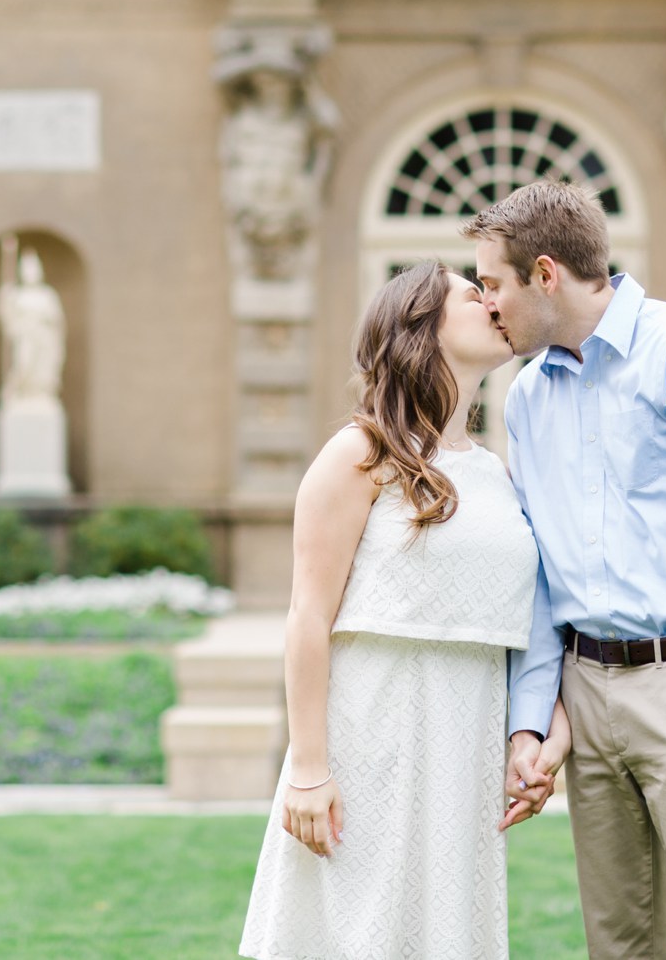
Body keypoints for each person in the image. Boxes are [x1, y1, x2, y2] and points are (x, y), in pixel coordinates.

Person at [466, 179, 666, 960]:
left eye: (493, 284)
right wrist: (530, 718)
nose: (486, 306)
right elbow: (541, 573)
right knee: (617, 944)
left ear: (546, 274)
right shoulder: (525, 398)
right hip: (587, 696)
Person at [239, 262, 570, 960]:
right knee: (359, 930)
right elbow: (307, 618)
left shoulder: (497, 474)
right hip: (370, 740)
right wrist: (307, 766)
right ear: (421, 327)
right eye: (472, 294)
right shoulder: (360, 454)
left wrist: (539, 734)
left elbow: (529, 627)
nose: (492, 302)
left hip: (466, 747)